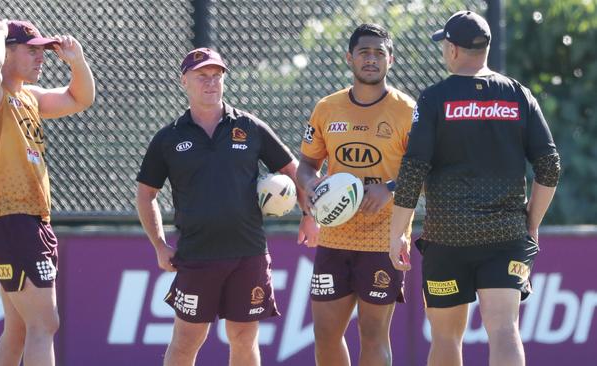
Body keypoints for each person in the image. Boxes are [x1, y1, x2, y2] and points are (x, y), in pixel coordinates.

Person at [388, 10, 561, 366]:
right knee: (504, 330)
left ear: (452, 49)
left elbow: (413, 168)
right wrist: (531, 223)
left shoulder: (435, 98)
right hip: (505, 235)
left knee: (447, 338)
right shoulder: (517, 94)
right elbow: (550, 166)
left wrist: (396, 233)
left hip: (448, 237)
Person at [136, 47, 316, 366]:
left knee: (244, 338)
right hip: (196, 255)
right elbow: (146, 194)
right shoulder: (169, 138)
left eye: (217, 76)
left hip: (247, 253)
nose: (211, 83)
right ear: (184, 82)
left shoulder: (248, 127)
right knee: (186, 341)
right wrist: (159, 245)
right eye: (202, 76)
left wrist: (308, 215)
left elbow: (292, 171)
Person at [0, 19, 94, 366]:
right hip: (12, 220)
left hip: (25, 223)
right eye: (31, 50)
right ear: (7, 53)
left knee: (19, 330)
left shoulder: (29, 97)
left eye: (42, 51)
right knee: (45, 323)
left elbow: (80, 98)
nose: (41, 57)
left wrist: (76, 61)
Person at [296, 24, 415, 366]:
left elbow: (427, 170)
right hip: (334, 237)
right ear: (349, 58)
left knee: (374, 335)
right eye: (364, 52)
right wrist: (312, 184)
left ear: (390, 60)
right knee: (325, 335)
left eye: (379, 53)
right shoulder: (327, 108)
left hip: (384, 240)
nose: (371, 59)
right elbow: (306, 164)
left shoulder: (407, 111)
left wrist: (390, 188)